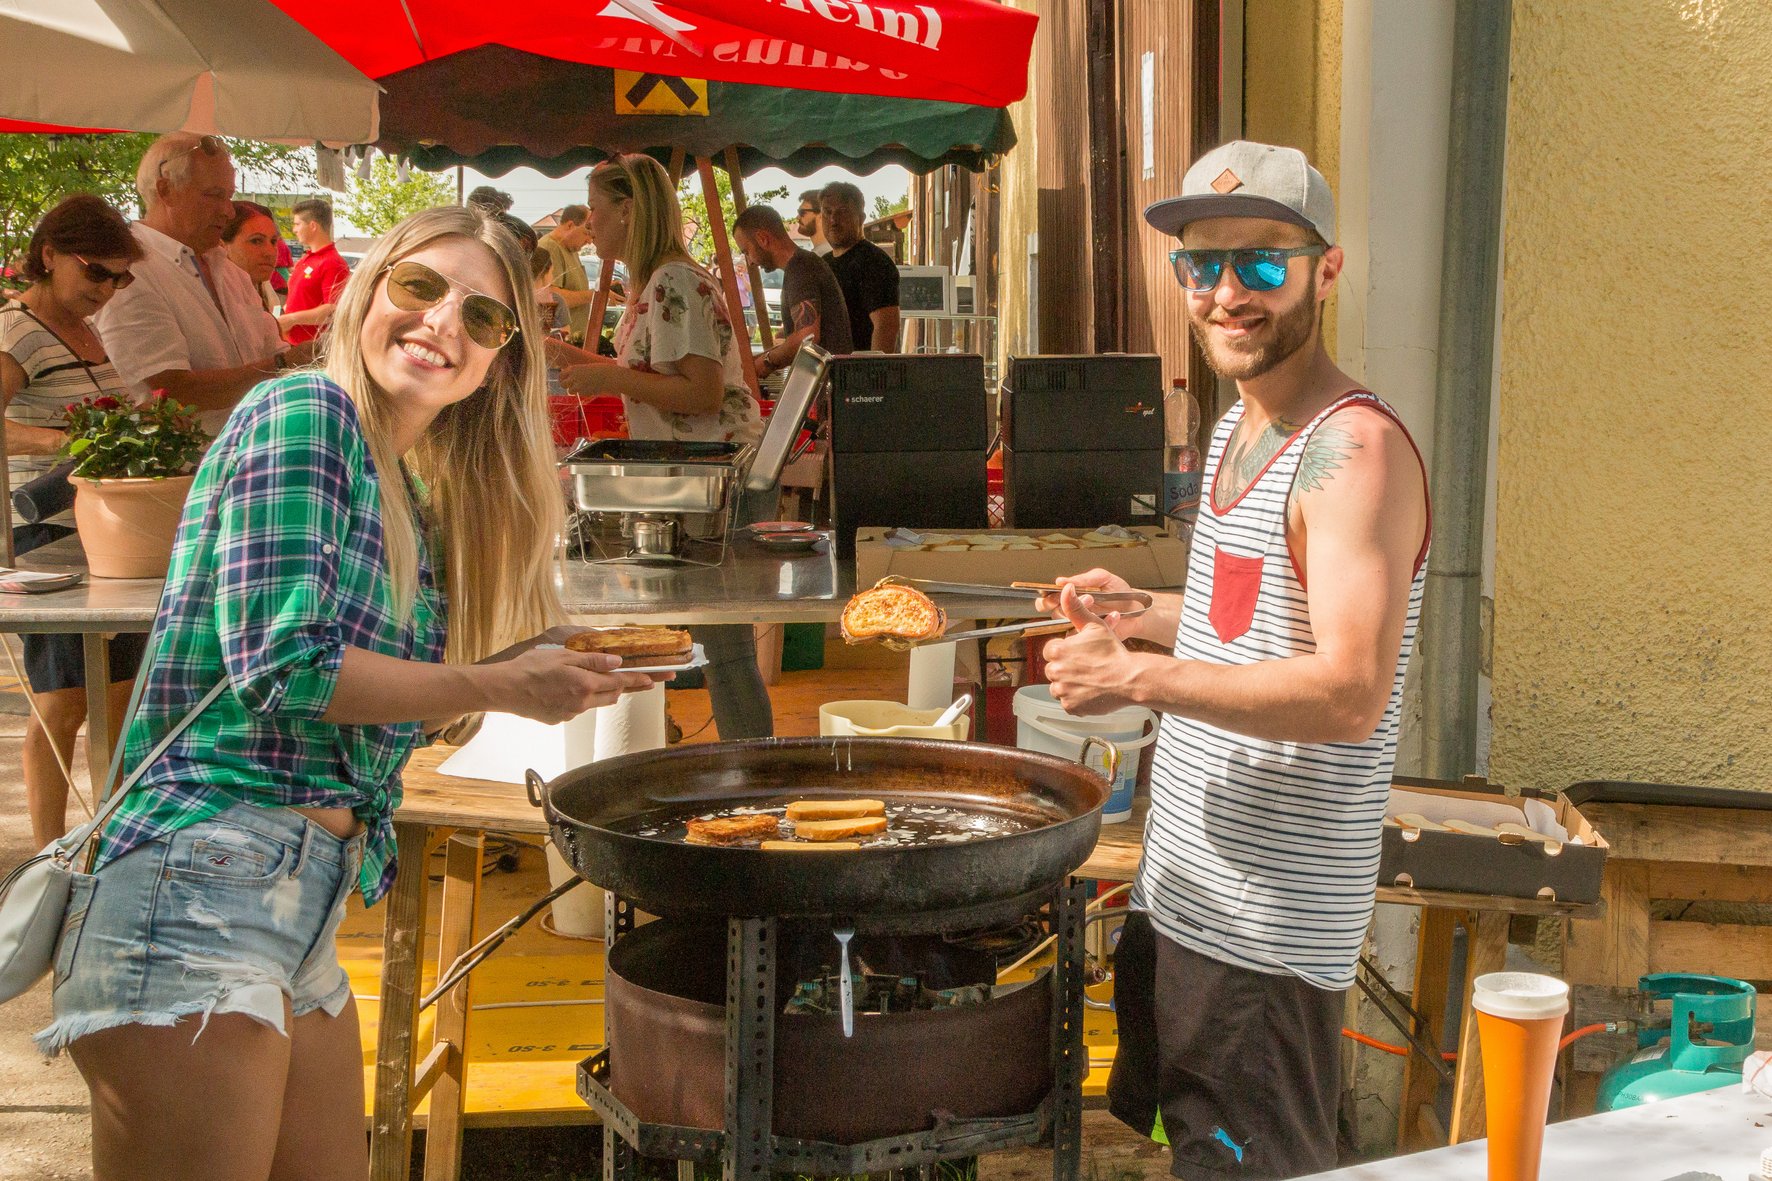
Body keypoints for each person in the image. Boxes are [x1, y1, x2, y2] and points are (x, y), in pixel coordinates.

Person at [36, 205, 661, 1180]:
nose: (443, 321)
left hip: (303, 898)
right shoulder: (305, 412)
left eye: (483, 315)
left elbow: (398, 705)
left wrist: (541, 656)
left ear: (500, 361)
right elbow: (284, 666)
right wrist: (501, 680)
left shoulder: (411, 485)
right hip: (197, 875)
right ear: (368, 291)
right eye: (421, 286)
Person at [1036, 141, 1430, 1180]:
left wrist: (1132, 677)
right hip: (1185, 894)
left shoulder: (1354, 453)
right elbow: (1247, 623)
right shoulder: (1235, 429)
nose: (1225, 292)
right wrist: (1138, 613)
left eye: (1260, 262)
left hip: (1266, 933)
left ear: (1324, 270)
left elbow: (1346, 691)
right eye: (1200, 264)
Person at [552, 153, 772, 741]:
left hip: (718, 482)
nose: (589, 223)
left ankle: (756, 770)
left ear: (628, 210)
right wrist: (566, 356)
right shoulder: (659, 280)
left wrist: (609, 377)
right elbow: (651, 373)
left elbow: (701, 392)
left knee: (726, 652)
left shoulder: (675, 280)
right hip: (697, 480)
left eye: (596, 210)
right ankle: (745, 765)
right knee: (717, 649)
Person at [0, 194, 148, 848]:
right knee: (62, 703)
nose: (106, 289)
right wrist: (66, 442)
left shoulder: (87, 331)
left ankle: (106, 846)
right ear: (49, 254)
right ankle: (45, 859)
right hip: (45, 536)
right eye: (96, 272)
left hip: (103, 535)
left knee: (116, 698)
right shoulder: (16, 330)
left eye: (120, 277)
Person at [92, 133, 301, 419]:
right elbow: (172, 391)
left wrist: (308, 359)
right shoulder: (130, 273)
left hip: (249, 443)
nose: (228, 211)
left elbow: (272, 351)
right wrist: (283, 363)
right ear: (166, 190)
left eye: (229, 196)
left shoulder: (227, 270)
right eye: (214, 195)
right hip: (187, 450)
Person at [732, 203, 853, 377]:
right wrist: (755, 360)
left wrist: (766, 362)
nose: (749, 261)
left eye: (747, 251)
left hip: (830, 383)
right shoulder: (801, 265)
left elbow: (806, 338)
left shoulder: (801, 268)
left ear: (762, 238)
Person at [819, 181, 899, 353]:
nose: (833, 220)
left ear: (861, 218)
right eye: (827, 212)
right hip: (828, 366)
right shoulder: (824, 264)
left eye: (842, 211)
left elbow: (886, 326)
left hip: (859, 368)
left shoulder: (874, 262)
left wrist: (874, 369)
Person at [277, 198, 349, 346]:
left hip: (312, 349)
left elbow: (333, 309)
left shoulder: (332, 262)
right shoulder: (305, 260)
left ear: (313, 226)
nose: (294, 230)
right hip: (291, 344)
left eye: (297, 224)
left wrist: (292, 319)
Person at [537, 204, 595, 344]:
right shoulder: (549, 248)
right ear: (570, 225)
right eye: (587, 232)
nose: (589, 241)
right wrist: (594, 295)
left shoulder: (570, 249)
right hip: (561, 344)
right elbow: (550, 296)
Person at [221, 201, 283, 313]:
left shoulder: (264, 290)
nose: (270, 252)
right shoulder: (212, 299)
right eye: (256, 241)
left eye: (273, 241)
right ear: (222, 246)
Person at [794, 189, 831, 255]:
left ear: (821, 217)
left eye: (802, 212)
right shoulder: (823, 253)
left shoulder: (826, 255)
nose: (797, 217)